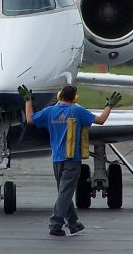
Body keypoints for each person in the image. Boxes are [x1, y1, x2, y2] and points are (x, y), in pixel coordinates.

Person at [19, 84, 121, 236]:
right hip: (72, 160)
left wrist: (28, 100)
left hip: (57, 160)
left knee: (63, 193)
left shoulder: (50, 111)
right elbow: (100, 120)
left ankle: (73, 224)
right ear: (75, 98)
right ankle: (55, 224)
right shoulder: (77, 111)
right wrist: (109, 106)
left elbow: (29, 119)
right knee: (65, 194)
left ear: (59, 96)